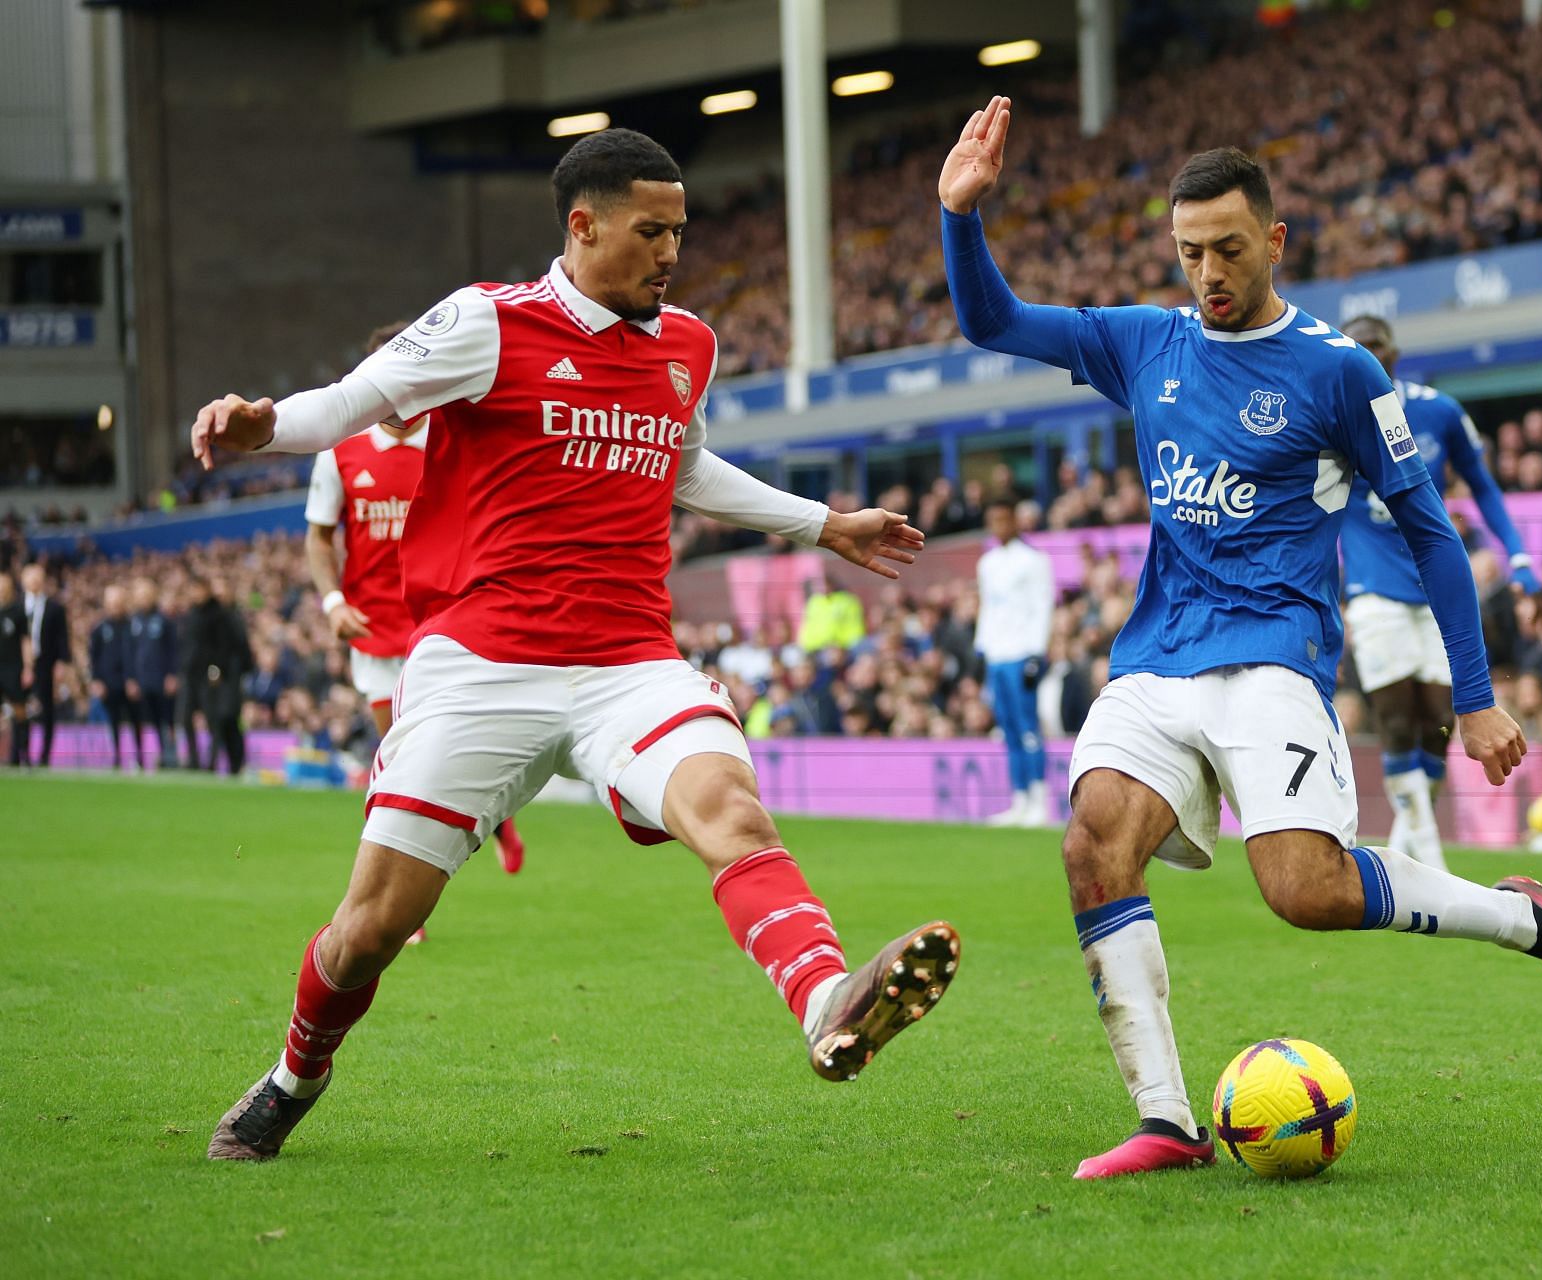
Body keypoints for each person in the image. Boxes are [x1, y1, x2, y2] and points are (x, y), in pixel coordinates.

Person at [193, 127, 958, 1163]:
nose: (671, 252)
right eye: (651, 231)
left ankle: (829, 996)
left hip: (629, 662)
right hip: (482, 664)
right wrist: (260, 424)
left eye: (680, 232)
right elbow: (352, 403)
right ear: (582, 225)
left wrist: (823, 522)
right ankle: (295, 1073)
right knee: (369, 926)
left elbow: (684, 466)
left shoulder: (688, 344)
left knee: (731, 810)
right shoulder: (486, 322)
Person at [939, 98, 1542, 1181]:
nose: (1208, 272)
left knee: (1305, 892)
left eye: (1228, 248)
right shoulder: (1146, 342)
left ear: (1275, 240)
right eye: (1189, 252)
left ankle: (1517, 916)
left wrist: (1475, 693)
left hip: (1275, 655)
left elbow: (1432, 532)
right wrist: (960, 218)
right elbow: (995, 323)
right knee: (1092, 842)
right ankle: (1168, 1120)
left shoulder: (1337, 373)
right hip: (1156, 656)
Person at [306, 320, 527, 905]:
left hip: (447, 619)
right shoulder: (342, 451)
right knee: (399, 756)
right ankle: (395, 901)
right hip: (374, 627)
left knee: (447, 745)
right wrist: (333, 602)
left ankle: (491, 825)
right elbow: (318, 538)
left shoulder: (454, 433)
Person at [1338, 315, 1539, 871]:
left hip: (1435, 589)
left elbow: (1484, 486)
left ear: (1394, 355)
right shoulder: (1332, 416)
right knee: (1396, 715)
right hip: (1372, 588)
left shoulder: (1438, 412)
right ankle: (1428, 850)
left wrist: (1518, 557)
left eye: (1376, 347)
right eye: (1357, 348)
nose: (1369, 356)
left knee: (1439, 720)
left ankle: (1408, 843)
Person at [976, 496, 1055, 826]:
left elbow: (1043, 606)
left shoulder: (1034, 560)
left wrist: (1037, 652)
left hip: (1022, 652)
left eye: (1003, 519)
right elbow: (987, 608)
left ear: (1015, 521)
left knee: (1028, 728)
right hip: (996, 654)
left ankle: (1039, 799)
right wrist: (981, 648)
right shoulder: (987, 563)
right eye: (993, 520)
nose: (998, 526)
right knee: (1007, 728)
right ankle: (1019, 799)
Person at [179, 575, 253, 774]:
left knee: (225, 719)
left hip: (226, 678)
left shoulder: (227, 617)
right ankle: (219, 762)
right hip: (210, 676)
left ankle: (233, 763)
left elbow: (235, 651)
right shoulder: (196, 614)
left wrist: (216, 670)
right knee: (221, 719)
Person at [20, 563, 70, 766]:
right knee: (19, 709)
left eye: (38, 577)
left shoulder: (55, 607)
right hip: (20, 665)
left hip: (45, 662)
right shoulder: (16, 606)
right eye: (30, 577)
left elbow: (62, 638)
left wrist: (62, 663)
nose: (34, 581)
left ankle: (44, 755)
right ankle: (20, 752)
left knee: (47, 708)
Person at [88, 584, 141, 769]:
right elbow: (93, 658)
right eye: (112, 602)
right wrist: (96, 681)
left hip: (131, 683)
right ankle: (116, 757)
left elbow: (138, 656)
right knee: (114, 721)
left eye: (118, 602)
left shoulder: (134, 626)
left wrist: (134, 679)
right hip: (109, 684)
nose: (115, 606)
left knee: (136, 720)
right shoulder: (100, 628)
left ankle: (140, 756)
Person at [128, 577, 180, 767]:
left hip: (161, 680)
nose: (143, 598)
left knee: (167, 719)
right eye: (140, 594)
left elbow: (174, 650)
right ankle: (142, 757)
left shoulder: (165, 620)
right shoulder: (133, 621)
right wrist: (131, 678)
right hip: (141, 681)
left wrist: (172, 675)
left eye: (146, 594)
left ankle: (170, 756)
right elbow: (129, 653)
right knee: (143, 720)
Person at [1, 572, 31, 766]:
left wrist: (28, 667)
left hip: (13, 668)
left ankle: (23, 755)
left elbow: (25, 641)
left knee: (19, 711)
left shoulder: (17, 611)